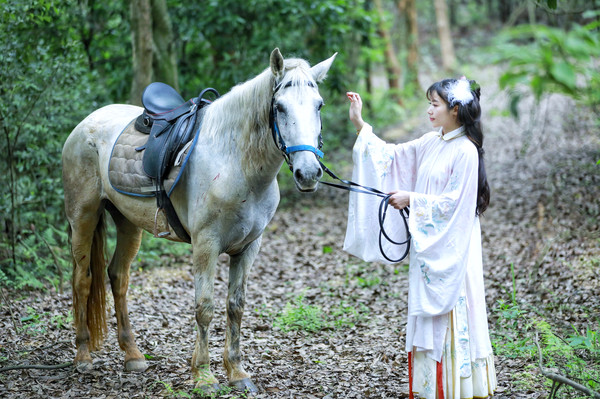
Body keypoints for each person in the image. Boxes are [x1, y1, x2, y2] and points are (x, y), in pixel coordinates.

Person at [344, 78, 497, 399]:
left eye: (435, 104)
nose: (429, 110)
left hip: (454, 246)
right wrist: (360, 123)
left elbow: (456, 204)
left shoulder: (466, 150)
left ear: (455, 110)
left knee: (453, 310)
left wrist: (413, 199)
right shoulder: (432, 142)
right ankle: (430, 388)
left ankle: (457, 388)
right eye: (429, 103)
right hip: (431, 245)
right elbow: (390, 157)